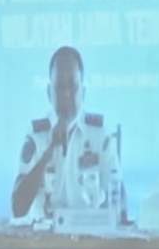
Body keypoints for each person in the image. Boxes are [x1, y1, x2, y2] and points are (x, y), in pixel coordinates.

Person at [11, 46, 120, 220]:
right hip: (45, 236)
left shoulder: (100, 135)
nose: (66, 94)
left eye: (72, 86)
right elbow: (18, 208)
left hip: (89, 234)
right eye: (60, 87)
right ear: (49, 93)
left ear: (83, 92)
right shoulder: (36, 136)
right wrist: (48, 153)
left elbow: (118, 203)